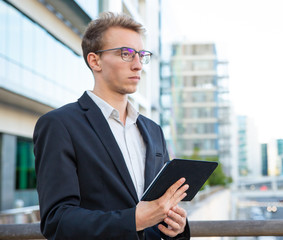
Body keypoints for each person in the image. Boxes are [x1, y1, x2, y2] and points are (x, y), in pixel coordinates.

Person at [33, 12, 190, 240]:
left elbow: (157, 211)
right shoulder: (59, 125)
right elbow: (57, 222)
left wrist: (176, 227)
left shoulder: (153, 130)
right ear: (94, 61)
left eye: (141, 55)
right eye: (126, 54)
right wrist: (135, 220)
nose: (138, 66)